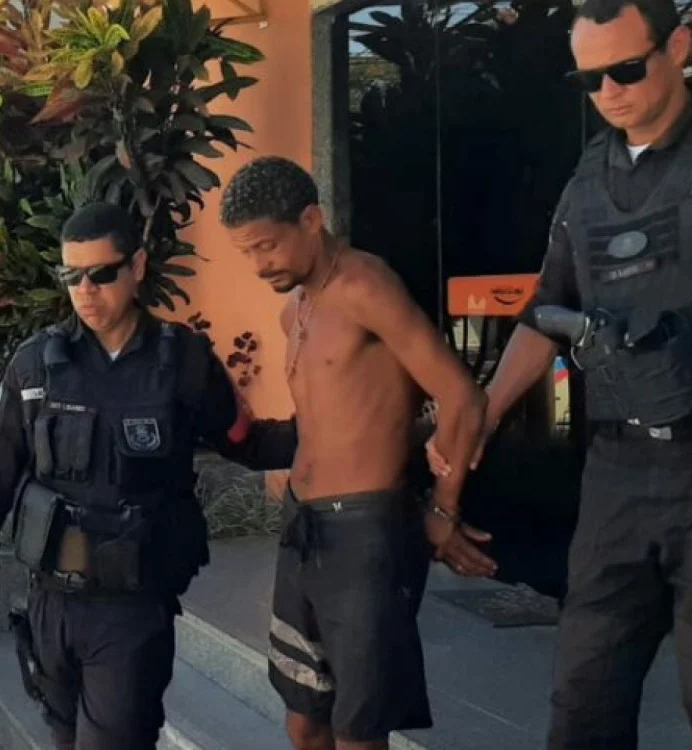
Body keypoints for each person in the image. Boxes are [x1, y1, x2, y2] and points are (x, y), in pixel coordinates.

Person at [428, 2, 692, 748]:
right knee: (584, 696)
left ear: (679, 46)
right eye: (590, 79)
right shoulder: (588, 178)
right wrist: (483, 416)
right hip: (621, 470)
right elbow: (547, 312)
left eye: (627, 69)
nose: (609, 92)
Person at [0, 203, 299, 750]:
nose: (85, 291)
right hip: (50, 606)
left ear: (138, 266)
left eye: (102, 274)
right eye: (72, 275)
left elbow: (247, 442)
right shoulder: (35, 365)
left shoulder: (183, 361)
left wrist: (347, 427)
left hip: (131, 611)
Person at [219, 156, 493, 750]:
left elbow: (462, 397)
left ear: (311, 219)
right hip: (303, 527)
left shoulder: (365, 286)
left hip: (366, 534)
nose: (259, 265)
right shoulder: (292, 309)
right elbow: (334, 416)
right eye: (247, 253)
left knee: (358, 728)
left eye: (267, 246)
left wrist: (442, 509)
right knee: (303, 719)